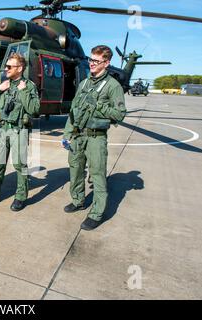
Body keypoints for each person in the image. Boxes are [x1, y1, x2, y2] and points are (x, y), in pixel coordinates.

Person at [63, 45, 126, 230]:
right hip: (78, 135)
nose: (91, 63)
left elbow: (120, 114)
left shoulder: (113, 86)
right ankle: (78, 200)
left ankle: (97, 213)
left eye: (96, 61)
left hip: (96, 137)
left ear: (106, 63)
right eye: (91, 60)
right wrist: (67, 134)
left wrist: (99, 106)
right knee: (75, 170)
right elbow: (73, 110)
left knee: (97, 174)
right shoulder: (84, 83)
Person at [0, 53, 40, 211]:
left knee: (20, 165)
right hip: (2, 129)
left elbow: (34, 109)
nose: (5, 69)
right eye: (6, 66)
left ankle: (20, 196)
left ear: (19, 68)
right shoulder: (4, 84)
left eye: (9, 66)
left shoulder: (29, 86)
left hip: (19, 130)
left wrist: (24, 91)